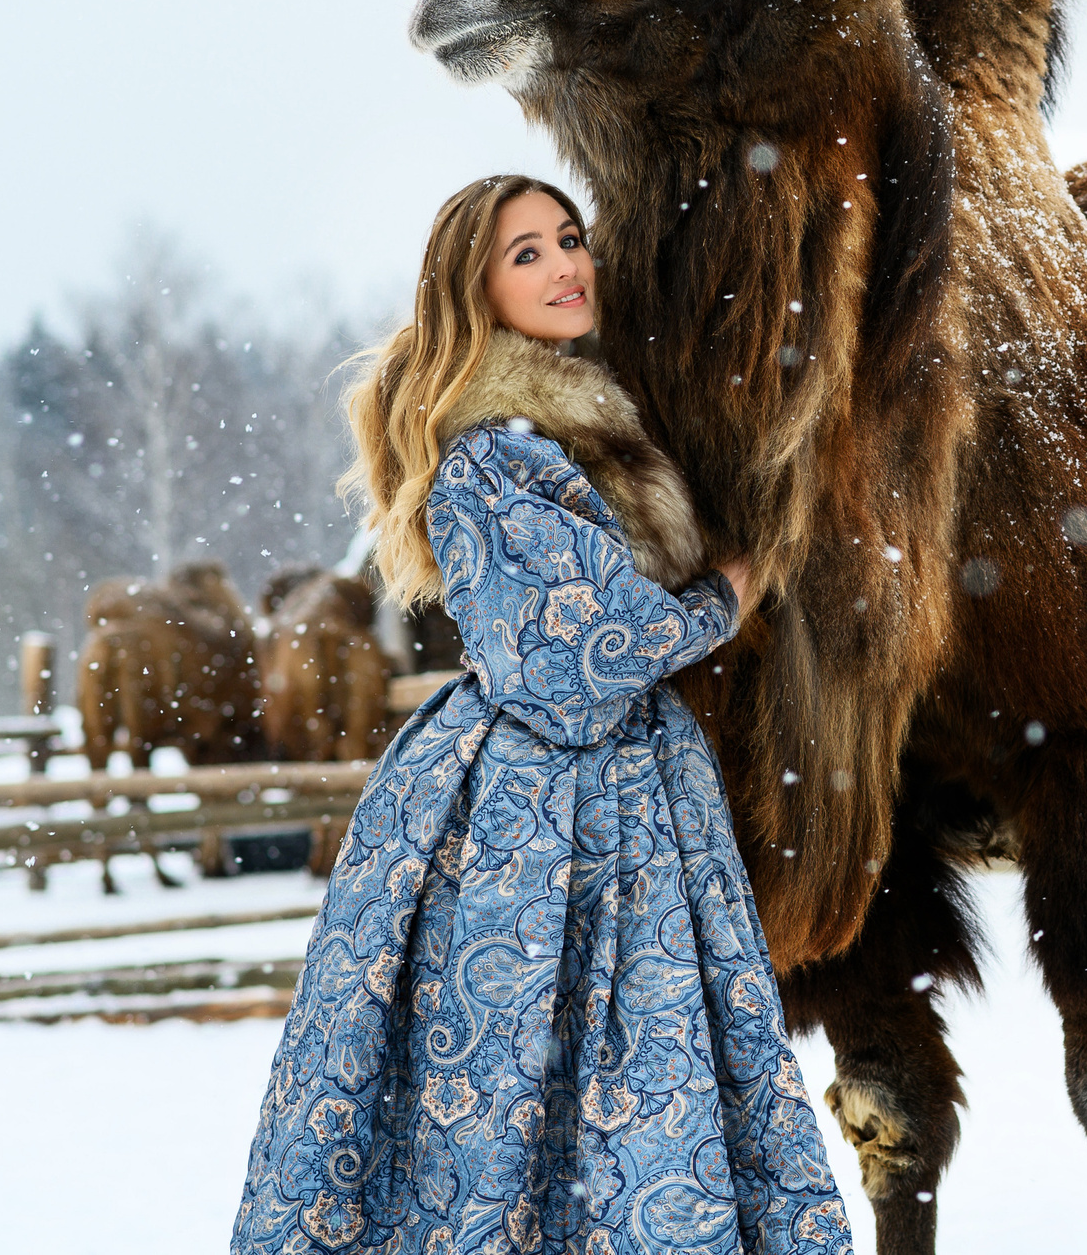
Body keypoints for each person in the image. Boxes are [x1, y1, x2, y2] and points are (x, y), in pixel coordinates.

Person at [232, 175, 852, 1255]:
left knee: (616, 1073)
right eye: (527, 253)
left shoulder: (587, 423)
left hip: (631, 789)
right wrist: (725, 595)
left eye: (569, 239)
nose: (566, 264)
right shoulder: (492, 454)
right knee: (537, 1071)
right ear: (472, 287)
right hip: (535, 805)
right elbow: (569, 667)